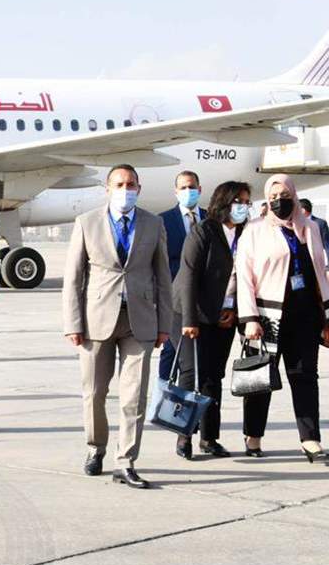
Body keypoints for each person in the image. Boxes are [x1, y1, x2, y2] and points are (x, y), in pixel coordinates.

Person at [62, 164, 171, 489]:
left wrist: (165, 323)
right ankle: (96, 447)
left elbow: (163, 277)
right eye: (119, 184)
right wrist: (73, 322)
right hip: (96, 320)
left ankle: (126, 461)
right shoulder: (87, 222)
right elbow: (73, 277)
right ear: (107, 189)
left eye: (131, 184)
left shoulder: (153, 223)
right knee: (95, 392)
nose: (126, 190)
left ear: (139, 188)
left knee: (133, 397)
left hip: (140, 320)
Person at [235, 173, 329, 462]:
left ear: (294, 196)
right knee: (261, 378)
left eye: (285, 196)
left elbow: (320, 271)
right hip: (267, 317)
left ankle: (310, 439)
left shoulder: (310, 227)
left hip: (305, 314)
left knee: (305, 377)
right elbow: (244, 277)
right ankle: (253, 436)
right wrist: (249, 318)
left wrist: (326, 314)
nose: (280, 201)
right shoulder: (254, 230)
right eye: (273, 197)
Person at [172, 180, 252, 459]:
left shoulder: (246, 234)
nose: (243, 207)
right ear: (224, 202)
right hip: (189, 313)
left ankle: (209, 438)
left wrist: (236, 311)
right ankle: (183, 435)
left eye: (247, 202)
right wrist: (190, 320)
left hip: (224, 314)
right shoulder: (204, 230)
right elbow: (189, 275)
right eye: (238, 201)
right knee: (191, 373)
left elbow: (247, 277)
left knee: (213, 376)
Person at [155, 169, 204, 439]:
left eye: (192, 186)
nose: (188, 191)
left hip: (203, 303)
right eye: (183, 187)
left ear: (200, 189)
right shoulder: (164, 221)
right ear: (176, 192)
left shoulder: (209, 219)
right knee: (173, 353)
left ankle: (193, 417)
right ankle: (166, 399)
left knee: (194, 360)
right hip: (173, 300)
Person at [300, 198, 329, 267]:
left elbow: (327, 244)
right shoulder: (294, 224)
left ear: (303, 210)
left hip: (317, 261)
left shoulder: (320, 223)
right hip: (301, 261)